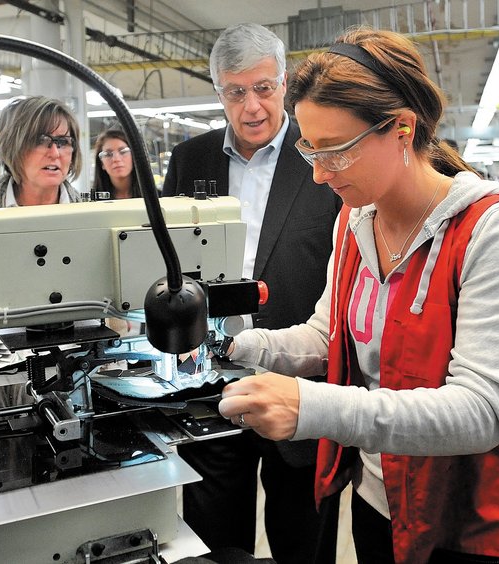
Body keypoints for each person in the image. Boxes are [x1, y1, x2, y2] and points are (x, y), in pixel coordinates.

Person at [218, 27, 499, 564]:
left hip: (474, 526)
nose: (316, 173)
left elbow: (481, 411)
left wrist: (310, 407)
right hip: (381, 502)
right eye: (310, 147)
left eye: (335, 151)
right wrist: (233, 348)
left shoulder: (490, 228)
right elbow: (327, 334)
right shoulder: (355, 220)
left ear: (402, 128)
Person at [162, 23, 342, 564]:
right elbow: (168, 262)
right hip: (210, 381)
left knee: (303, 544)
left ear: (284, 84)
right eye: (236, 91)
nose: (252, 106)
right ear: (218, 91)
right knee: (215, 543)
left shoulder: (322, 156)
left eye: (264, 88)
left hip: (304, 385)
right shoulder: (189, 160)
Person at [0, 96, 82, 207]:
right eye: (41, 141)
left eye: (63, 142)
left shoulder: (91, 212)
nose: (55, 153)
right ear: (12, 148)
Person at [92, 129, 142, 200]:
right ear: (101, 163)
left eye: (123, 151)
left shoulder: (157, 197)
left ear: (134, 157)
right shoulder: (93, 203)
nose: (116, 159)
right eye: (108, 154)